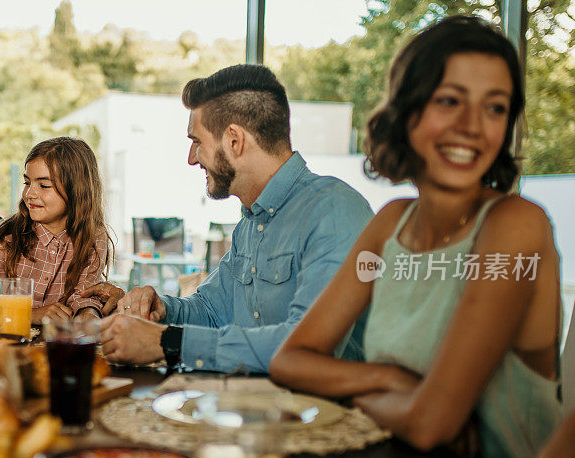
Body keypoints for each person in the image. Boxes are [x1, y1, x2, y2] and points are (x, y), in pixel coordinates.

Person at [270, 16, 562, 458]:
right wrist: (392, 380)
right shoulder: (390, 225)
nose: (472, 126)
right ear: (406, 112)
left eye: (496, 108)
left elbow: (430, 424)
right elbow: (290, 360)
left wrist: (361, 396)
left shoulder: (516, 225)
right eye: (449, 101)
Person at [99, 64, 373, 373]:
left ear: (234, 140)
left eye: (197, 141)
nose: (191, 158)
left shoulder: (334, 212)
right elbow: (214, 312)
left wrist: (167, 342)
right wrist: (162, 310)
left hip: (329, 415)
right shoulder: (251, 222)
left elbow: (309, 347)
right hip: (260, 409)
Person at [0, 137, 112, 321]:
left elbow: (84, 297)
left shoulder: (94, 237)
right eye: (27, 183)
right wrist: (30, 315)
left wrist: (89, 314)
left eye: (44, 185)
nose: (29, 194)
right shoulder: (5, 239)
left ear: (77, 190)